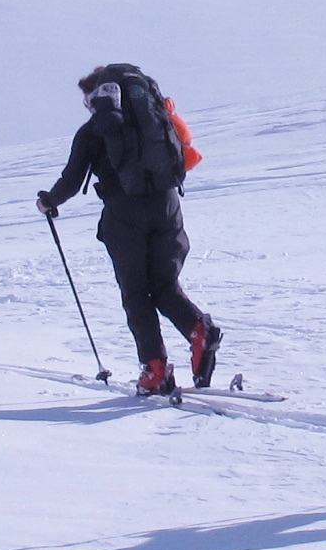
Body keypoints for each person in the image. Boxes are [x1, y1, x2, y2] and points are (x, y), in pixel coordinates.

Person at [39, 64, 218, 396]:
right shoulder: (157, 120)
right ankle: (198, 330)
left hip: (124, 216)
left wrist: (49, 201)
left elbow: (72, 179)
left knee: (136, 293)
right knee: (165, 286)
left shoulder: (95, 131)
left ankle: (155, 370)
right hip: (168, 209)